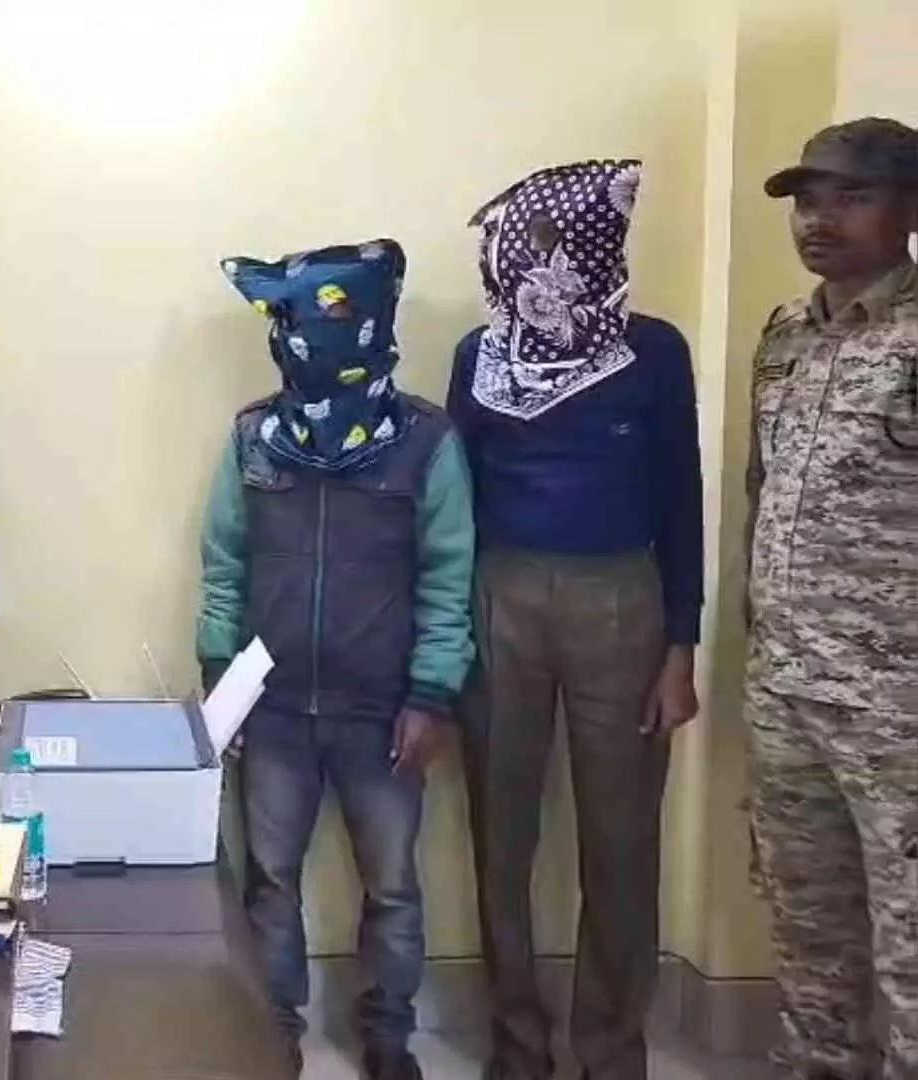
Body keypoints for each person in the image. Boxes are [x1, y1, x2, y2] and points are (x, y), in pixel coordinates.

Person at [445, 159, 703, 1080]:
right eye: (525, 242)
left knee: (622, 836)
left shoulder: (654, 351)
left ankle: (611, 1047)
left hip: (622, 600)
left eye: (559, 241)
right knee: (500, 830)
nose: (539, 263)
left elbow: (682, 495)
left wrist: (681, 645)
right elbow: (454, 500)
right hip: (499, 594)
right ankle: (517, 1045)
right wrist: (449, 634)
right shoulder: (479, 355)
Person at [197, 240, 475, 1080]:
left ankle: (388, 1037)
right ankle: (273, 1032)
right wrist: (219, 688)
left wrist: (431, 694)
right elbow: (223, 566)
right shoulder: (253, 437)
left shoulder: (425, 441)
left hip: (384, 709)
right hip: (273, 709)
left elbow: (449, 575)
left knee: (391, 885)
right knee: (269, 883)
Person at [744, 117, 918, 1080]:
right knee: (809, 938)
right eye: (808, 199)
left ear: (910, 208)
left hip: (898, 710)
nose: (819, 218)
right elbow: (761, 493)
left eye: (852, 196)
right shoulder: (783, 337)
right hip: (787, 694)